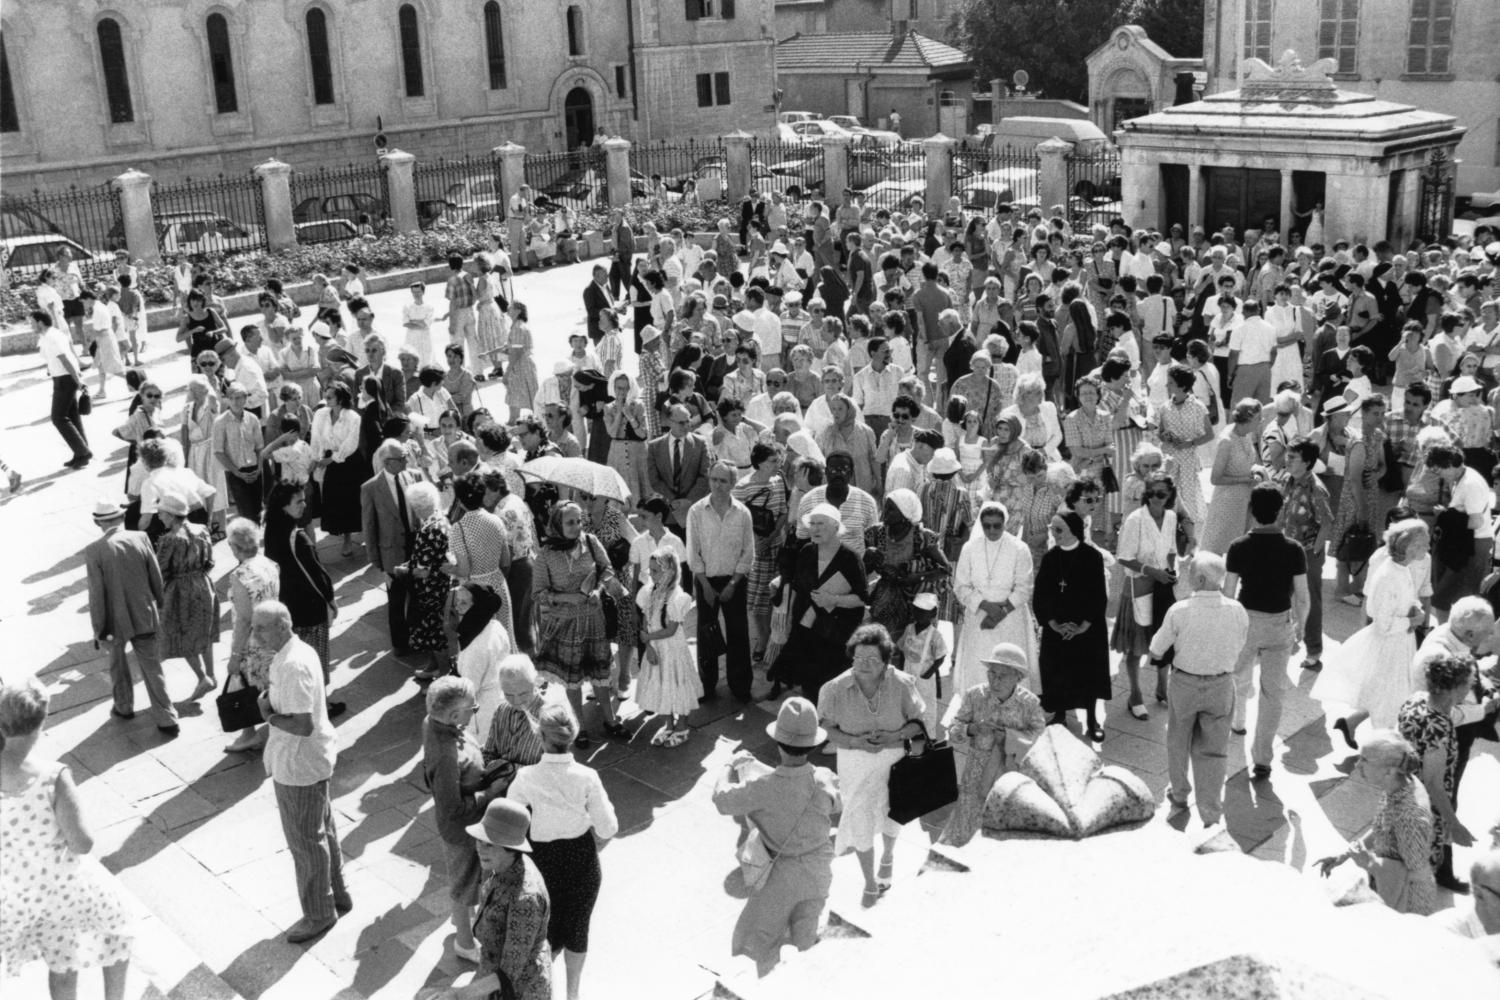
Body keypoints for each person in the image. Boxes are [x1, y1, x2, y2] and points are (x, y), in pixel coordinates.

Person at [0, 677, 134, 1000]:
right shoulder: (52, 778)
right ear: (41, 722)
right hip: (54, 890)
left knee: (61, 955)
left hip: (11, 894)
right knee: (118, 920)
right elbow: (82, 844)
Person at [712, 697, 841, 974]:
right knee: (807, 934)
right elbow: (836, 804)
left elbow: (721, 800)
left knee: (765, 941)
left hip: (779, 879)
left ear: (777, 741)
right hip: (818, 870)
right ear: (813, 743)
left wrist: (730, 766)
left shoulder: (763, 788)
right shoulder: (825, 777)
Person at [253, 600, 349, 943]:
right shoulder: (296, 653)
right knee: (323, 830)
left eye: (261, 628)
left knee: (305, 842)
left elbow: (301, 724)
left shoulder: (293, 665)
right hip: (310, 761)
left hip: (299, 765)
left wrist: (268, 714)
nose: (254, 635)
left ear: (283, 625)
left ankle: (318, 914)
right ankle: (338, 894)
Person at [508, 704, 618, 1000]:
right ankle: (573, 994)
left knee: (544, 931)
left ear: (540, 736)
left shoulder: (526, 777)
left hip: (542, 861)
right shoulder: (587, 776)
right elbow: (608, 827)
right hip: (581, 857)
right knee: (578, 928)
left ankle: (540, 989)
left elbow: (510, 820)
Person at [817, 624, 926, 907]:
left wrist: (895, 736)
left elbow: (918, 723)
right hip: (854, 760)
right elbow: (826, 728)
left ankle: (888, 856)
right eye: (858, 658)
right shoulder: (835, 688)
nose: (863, 665)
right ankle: (868, 880)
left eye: (872, 660)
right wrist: (855, 743)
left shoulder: (902, 683)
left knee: (892, 812)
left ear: (886, 662)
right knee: (859, 817)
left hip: (893, 759)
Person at [1149, 552, 1248, 825]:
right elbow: (1240, 645)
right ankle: (1210, 811)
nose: (1186, 576)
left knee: (1178, 739)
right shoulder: (1237, 610)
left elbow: (1157, 647)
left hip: (1184, 682)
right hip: (1221, 684)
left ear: (1201, 578)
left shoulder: (1179, 610)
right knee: (1215, 750)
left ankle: (1179, 793)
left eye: (1190, 572)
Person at [1222, 484, 1311, 776]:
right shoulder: (1294, 549)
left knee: (1236, 678)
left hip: (1245, 620)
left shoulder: (1238, 546)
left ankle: (1238, 721)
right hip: (1278, 624)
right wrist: (1301, 625)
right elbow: (1302, 596)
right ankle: (1262, 758)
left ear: (1252, 510)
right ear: (1280, 511)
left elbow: (1228, 591)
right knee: (1273, 693)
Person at [1316, 519, 1428, 745]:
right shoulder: (1388, 575)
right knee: (1389, 700)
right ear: (1410, 546)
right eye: (1424, 544)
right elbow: (1382, 623)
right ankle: (1379, 752)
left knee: (1387, 696)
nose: (1427, 549)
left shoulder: (1402, 569)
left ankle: (1353, 726)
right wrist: (1411, 620)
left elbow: (1407, 598)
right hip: (1388, 647)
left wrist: (1415, 609)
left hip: (1400, 644)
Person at [1314, 730, 1438, 915]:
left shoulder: (1411, 816)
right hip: (1387, 889)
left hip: (1405, 906)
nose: (1357, 766)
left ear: (1388, 771)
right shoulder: (1398, 786)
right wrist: (1344, 855)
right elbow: (1382, 827)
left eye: (1365, 760)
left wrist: (1369, 862)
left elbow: (1413, 872)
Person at [533, 502, 625, 744]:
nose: (576, 527)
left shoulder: (591, 542)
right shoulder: (546, 553)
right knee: (572, 678)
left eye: (579, 521)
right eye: (570, 522)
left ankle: (610, 719)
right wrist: (565, 597)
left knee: (600, 671)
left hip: (594, 619)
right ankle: (580, 726)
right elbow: (538, 593)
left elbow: (607, 570)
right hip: (565, 623)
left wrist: (598, 589)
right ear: (557, 525)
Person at [84, 499, 177, 734]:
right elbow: (155, 575)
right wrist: (161, 604)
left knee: (118, 666)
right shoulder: (141, 538)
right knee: (152, 667)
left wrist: (98, 628)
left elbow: (97, 594)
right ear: (122, 517)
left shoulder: (95, 550)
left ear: (97, 522)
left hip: (114, 622)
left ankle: (124, 706)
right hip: (144, 612)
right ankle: (166, 716)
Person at [940, 642, 1046, 847]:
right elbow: (954, 729)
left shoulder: (1030, 703)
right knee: (967, 822)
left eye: (1002, 676)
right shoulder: (975, 695)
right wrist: (971, 729)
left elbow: (1040, 740)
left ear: (1018, 677)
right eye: (991, 673)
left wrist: (1010, 737)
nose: (994, 680)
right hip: (976, 772)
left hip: (1010, 772)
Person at [422, 677, 490, 963]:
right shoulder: (448, 755)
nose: (474, 711)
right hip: (462, 830)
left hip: (459, 826)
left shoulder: (432, 723)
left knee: (462, 879)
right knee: (464, 885)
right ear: (453, 715)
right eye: (471, 709)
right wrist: (488, 794)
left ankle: (459, 920)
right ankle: (464, 941)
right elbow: (452, 806)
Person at [772, 504, 870, 700]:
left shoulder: (850, 558)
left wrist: (833, 600)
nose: (815, 529)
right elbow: (800, 590)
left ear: (836, 527)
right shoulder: (807, 552)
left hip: (834, 634)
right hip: (807, 629)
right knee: (809, 684)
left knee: (831, 684)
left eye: (821, 524)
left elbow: (862, 599)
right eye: (812, 524)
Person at [1398, 654, 1476, 893]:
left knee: (1393, 866)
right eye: (1467, 683)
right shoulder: (1438, 729)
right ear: (1452, 688)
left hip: (1401, 797)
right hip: (1423, 814)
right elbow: (1434, 785)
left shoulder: (1416, 700)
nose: (1470, 687)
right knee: (1414, 878)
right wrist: (1455, 825)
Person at [263, 484, 343, 715]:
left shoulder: (271, 530)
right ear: (284, 506)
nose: (304, 504)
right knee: (316, 659)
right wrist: (331, 601)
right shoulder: (298, 538)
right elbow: (317, 574)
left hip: (288, 606)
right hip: (310, 608)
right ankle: (321, 705)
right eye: (298, 501)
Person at [1033, 511, 1109, 742]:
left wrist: (1083, 625)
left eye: (1058, 530)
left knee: (1088, 673)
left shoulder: (1092, 556)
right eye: (1052, 529)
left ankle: (1092, 720)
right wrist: (1053, 624)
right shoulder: (1050, 557)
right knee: (1057, 672)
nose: (1054, 534)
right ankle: (1059, 714)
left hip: (1088, 628)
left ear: (1073, 530)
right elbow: (1041, 595)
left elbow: (1098, 594)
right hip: (1057, 627)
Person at [951, 499, 1038, 693]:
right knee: (979, 666)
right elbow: (961, 586)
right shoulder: (970, 547)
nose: (991, 530)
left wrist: (1001, 611)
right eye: (986, 526)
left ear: (1005, 523)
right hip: (979, 615)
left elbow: (1024, 588)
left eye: (996, 526)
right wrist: (987, 607)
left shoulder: (1019, 548)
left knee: (1009, 665)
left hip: (1011, 617)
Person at [687, 462, 756, 701]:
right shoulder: (696, 511)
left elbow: (748, 551)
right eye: (714, 479)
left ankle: (740, 686)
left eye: (723, 481)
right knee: (706, 634)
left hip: (734, 581)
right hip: (705, 579)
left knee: (738, 632)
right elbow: (693, 552)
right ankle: (706, 685)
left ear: (733, 484)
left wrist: (733, 584)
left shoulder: (743, 513)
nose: (717, 485)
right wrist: (705, 586)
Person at [223, 518, 280, 753]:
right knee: (272, 682)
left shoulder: (240, 575)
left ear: (235, 547)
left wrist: (235, 655)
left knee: (245, 686)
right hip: (274, 634)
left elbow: (245, 619)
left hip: (253, 642)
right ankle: (277, 728)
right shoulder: (270, 564)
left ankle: (249, 734)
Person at [1278, 439, 1335, 671]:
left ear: (1308, 462)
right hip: (1285, 549)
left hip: (1306, 553)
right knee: (1281, 599)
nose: (1287, 461)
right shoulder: (1287, 481)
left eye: (1293, 458)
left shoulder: (1316, 488)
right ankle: (1281, 643)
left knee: (1309, 601)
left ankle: (1313, 651)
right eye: (1288, 456)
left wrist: (1315, 551)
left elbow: (1327, 522)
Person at [636, 546, 702, 746]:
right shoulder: (649, 592)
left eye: (656, 571)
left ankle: (682, 726)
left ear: (670, 572)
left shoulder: (677, 597)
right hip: (656, 647)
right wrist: (648, 646)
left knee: (675, 682)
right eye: (651, 571)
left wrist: (647, 638)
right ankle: (668, 724)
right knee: (661, 683)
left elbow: (671, 630)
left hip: (672, 649)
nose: (651, 575)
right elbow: (646, 620)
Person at [153, 493, 217, 701]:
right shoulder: (202, 530)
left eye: (162, 513)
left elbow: (161, 570)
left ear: (172, 515)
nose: (159, 517)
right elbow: (210, 561)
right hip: (203, 584)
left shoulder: (169, 539)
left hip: (180, 590)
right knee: (204, 632)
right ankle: (212, 674)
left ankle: (202, 677)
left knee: (184, 635)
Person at [863, 488, 949, 639]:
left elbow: (945, 569)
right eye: (885, 507)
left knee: (914, 645)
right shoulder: (875, 534)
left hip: (916, 598)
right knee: (882, 641)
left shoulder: (923, 537)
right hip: (886, 597)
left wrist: (917, 577)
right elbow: (863, 571)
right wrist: (868, 556)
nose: (885, 512)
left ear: (905, 512)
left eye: (891, 509)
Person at [360, 439, 417, 652]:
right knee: (396, 600)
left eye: (405, 457)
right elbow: (369, 525)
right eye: (401, 458)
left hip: (415, 544)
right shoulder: (371, 488)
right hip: (392, 552)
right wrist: (376, 559)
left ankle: (418, 637)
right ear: (387, 463)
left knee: (418, 596)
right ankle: (400, 644)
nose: (406, 461)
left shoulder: (414, 477)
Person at [1199, 400, 1265, 555]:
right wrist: (1244, 479)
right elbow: (1215, 479)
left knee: (1241, 553)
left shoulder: (1244, 434)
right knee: (1215, 553)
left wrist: (1256, 472)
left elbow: (1250, 462)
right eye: (1258, 418)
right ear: (1248, 419)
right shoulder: (1226, 441)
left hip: (1244, 502)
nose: (1261, 421)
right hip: (1226, 504)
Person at [1157, 365, 1214, 541]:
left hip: (1188, 456)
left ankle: (1188, 531)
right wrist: (1165, 436)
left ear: (1182, 386)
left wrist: (1190, 442)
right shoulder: (1165, 407)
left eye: (1171, 383)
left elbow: (1209, 434)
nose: (1167, 386)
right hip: (1169, 457)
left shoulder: (1197, 406)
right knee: (1167, 490)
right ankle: (1167, 525)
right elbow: (1160, 432)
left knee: (1188, 493)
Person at [310, 382, 364, 558]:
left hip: (348, 461)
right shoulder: (321, 414)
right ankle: (340, 533)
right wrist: (316, 458)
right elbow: (316, 437)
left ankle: (349, 539)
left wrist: (331, 459)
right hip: (329, 460)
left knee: (349, 501)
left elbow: (350, 444)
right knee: (333, 500)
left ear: (340, 398)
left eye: (330, 396)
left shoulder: (353, 417)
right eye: (325, 395)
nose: (326, 399)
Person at [34, 308, 92, 468]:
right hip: (61, 379)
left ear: (40, 322)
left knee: (58, 418)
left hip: (65, 380)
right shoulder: (49, 335)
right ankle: (82, 453)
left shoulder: (52, 337)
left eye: (32, 323)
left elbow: (66, 360)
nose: (30, 326)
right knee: (72, 417)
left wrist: (78, 381)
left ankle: (83, 452)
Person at [647, 404, 712, 536]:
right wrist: (673, 501)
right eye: (681, 423)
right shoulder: (655, 446)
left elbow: (705, 476)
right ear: (670, 422)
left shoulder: (701, 443)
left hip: (694, 510)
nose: (686, 426)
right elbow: (654, 480)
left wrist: (687, 501)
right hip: (668, 512)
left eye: (688, 421)